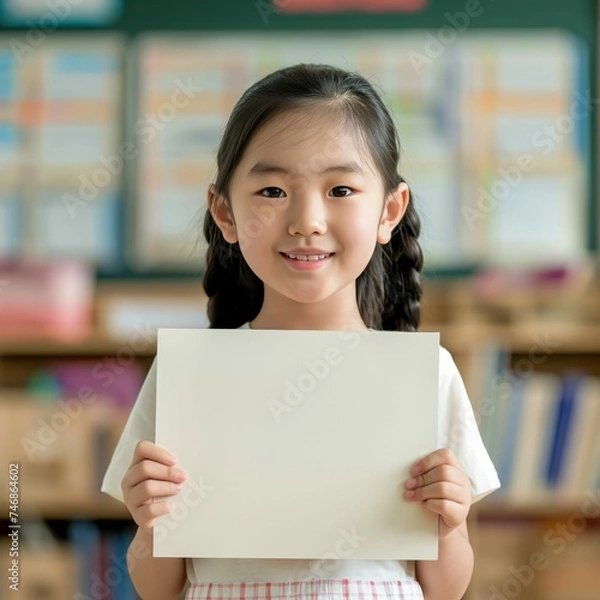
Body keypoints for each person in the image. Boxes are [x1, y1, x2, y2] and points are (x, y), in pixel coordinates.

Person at [101, 63, 500, 600]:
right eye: (271, 190)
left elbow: (445, 590)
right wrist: (150, 525)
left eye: (340, 188)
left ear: (389, 210)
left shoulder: (428, 375)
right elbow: (159, 589)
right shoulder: (184, 379)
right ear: (224, 212)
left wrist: (449, 525)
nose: (307, 220)